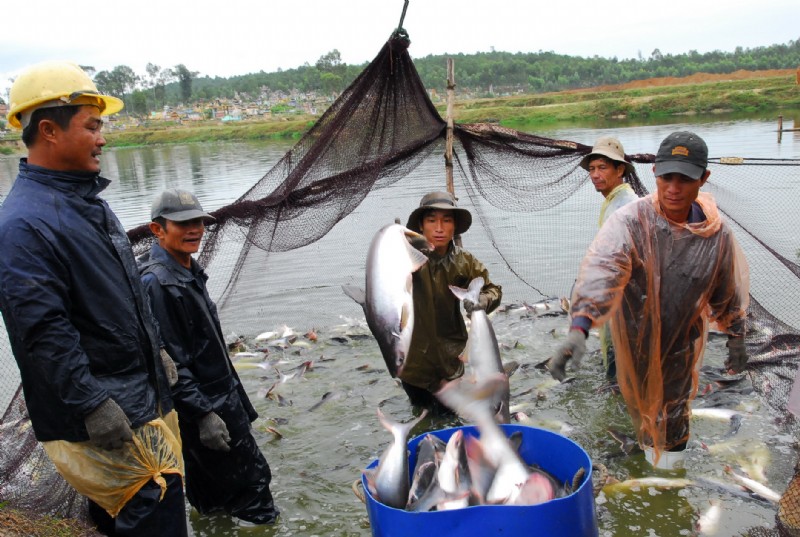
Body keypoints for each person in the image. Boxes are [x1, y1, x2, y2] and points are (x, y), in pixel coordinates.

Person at [0, 61, 187, 535]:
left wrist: (157, 348)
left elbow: (121, 293)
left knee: (124, 517)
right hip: (104, 410)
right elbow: (42, 330)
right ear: (49, 130)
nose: (103, 138)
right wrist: (90, 404)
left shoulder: (88, 203)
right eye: (92, 125)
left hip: (135, 396)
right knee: (154, 509)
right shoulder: (23, 225)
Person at [549, 131, 750, 470]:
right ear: (654, 172)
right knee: (642, 414)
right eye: (666, 176)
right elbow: (603, 271)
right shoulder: (631, 221)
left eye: (685, 179)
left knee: (674, 420)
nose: (673, 188)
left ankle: (669, 480)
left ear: (704, 178)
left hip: (682, 345)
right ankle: (647, 459)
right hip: (634, 341)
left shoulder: (716, 234)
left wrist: (736, 337)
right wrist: (579, 327)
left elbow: (727, 290)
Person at [138, 189, 279, 526]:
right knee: (254, 488)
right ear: (157, 229)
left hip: (216, 398)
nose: (195, 229)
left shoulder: (184, 268)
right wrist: (204, 416)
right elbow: (170, 363)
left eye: (199, 221)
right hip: (208, 405)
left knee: (211, 494)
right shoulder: (159, 283)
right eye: (183, 223)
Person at [400, 191, 502, 413]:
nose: (439, 228)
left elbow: (493, 289)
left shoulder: (464, 261)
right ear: (420, 225)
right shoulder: (405, 258)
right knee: (421, 416)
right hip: (413, 364)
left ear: (454, 226)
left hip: (451, 361)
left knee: (450, 420)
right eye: (431, 220)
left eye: (446, 221)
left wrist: (482, 300)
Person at [579, 136, 639, 379]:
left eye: (603, 167)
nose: (595, 174)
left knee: (622, 370)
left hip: (623, 302)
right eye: (592, 169)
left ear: (620, 169)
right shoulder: (615, 201)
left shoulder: (625, 205)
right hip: (615, 299)